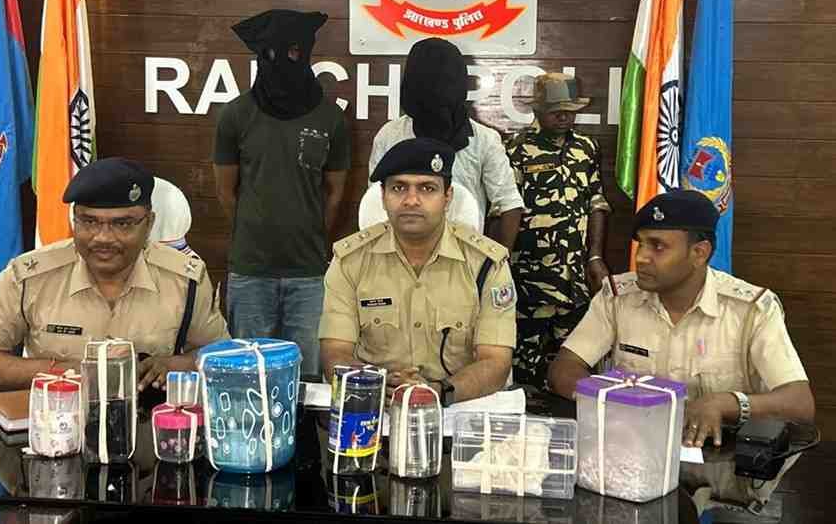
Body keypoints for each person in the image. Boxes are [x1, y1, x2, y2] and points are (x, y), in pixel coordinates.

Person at [548, 189, 815, 448]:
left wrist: (726, 403)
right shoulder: (617, 297)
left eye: (658, 246)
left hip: (720, 459)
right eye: (641, 243)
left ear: (699, 253)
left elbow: (799, 403)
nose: (640, 257)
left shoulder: (751, 309)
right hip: (631, 447)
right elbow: (564, 369)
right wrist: (616, 399)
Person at [0, 157, 230, 392]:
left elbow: (223, 359)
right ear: (74, 220)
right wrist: (68, 372)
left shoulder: (185, 279)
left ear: (149, 224)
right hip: (57, 425)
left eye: (122, 224)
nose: (103, 238)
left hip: (150, 427)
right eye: (89, 221)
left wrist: (172, 365)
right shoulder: (29, 277)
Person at [320, 137, 516, 406]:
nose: (411, 200)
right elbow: (334, 353)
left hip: (455, 406)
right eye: (398, 188)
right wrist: (378, 385)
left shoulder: (486, 264)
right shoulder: (349, 262)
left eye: (427, 188)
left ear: (447, 197)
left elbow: (496, 362)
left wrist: (436, 391)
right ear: (383, 196)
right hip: (374, 405)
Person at [213, 9, 351, 378]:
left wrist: (310, 236)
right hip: (250, 272)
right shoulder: (235, 115)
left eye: (293, 52)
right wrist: (255, 231)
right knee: (248, 376)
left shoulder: (330, 119)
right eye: (272, 54)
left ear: (305, 54)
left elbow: (335, 194)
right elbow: (226, 192)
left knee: (306, 379)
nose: (283, 62)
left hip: (308, 274)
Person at [504, 72, 611, 390]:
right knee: (524, 376)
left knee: (573, 371)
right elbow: (507, 211)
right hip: (530, 281)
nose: (564, 116)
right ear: (537, 110)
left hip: (574, 281)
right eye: (556, 110)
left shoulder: (586, 148)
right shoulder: (517, 150)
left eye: (570, 110)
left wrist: (595, 256)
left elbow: (597, 203)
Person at [368, 37, 523, 249]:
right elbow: (376, 202)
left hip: (465, 258)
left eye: (444, 81)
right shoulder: (390, 135)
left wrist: (496, 262)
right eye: (424, 80)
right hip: (399, 257)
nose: (434, 89)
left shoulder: (483, 139)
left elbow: (509, 204)